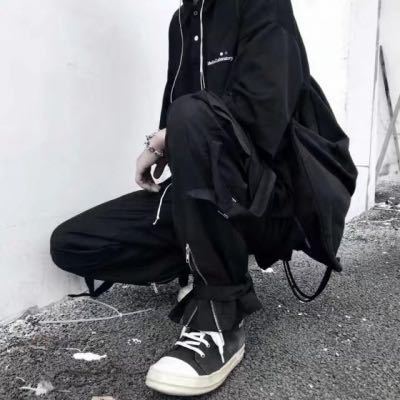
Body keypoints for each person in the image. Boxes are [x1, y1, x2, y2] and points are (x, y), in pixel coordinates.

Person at [50, 0, 358, 396]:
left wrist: (169, 136)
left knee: (191, 113)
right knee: (75, 243)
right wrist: (167, 144)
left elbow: (265, 113)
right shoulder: (181, 21)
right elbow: (178, 113)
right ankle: (203, 261)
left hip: (269, 197)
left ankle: (219, 318)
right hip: (205, 194)